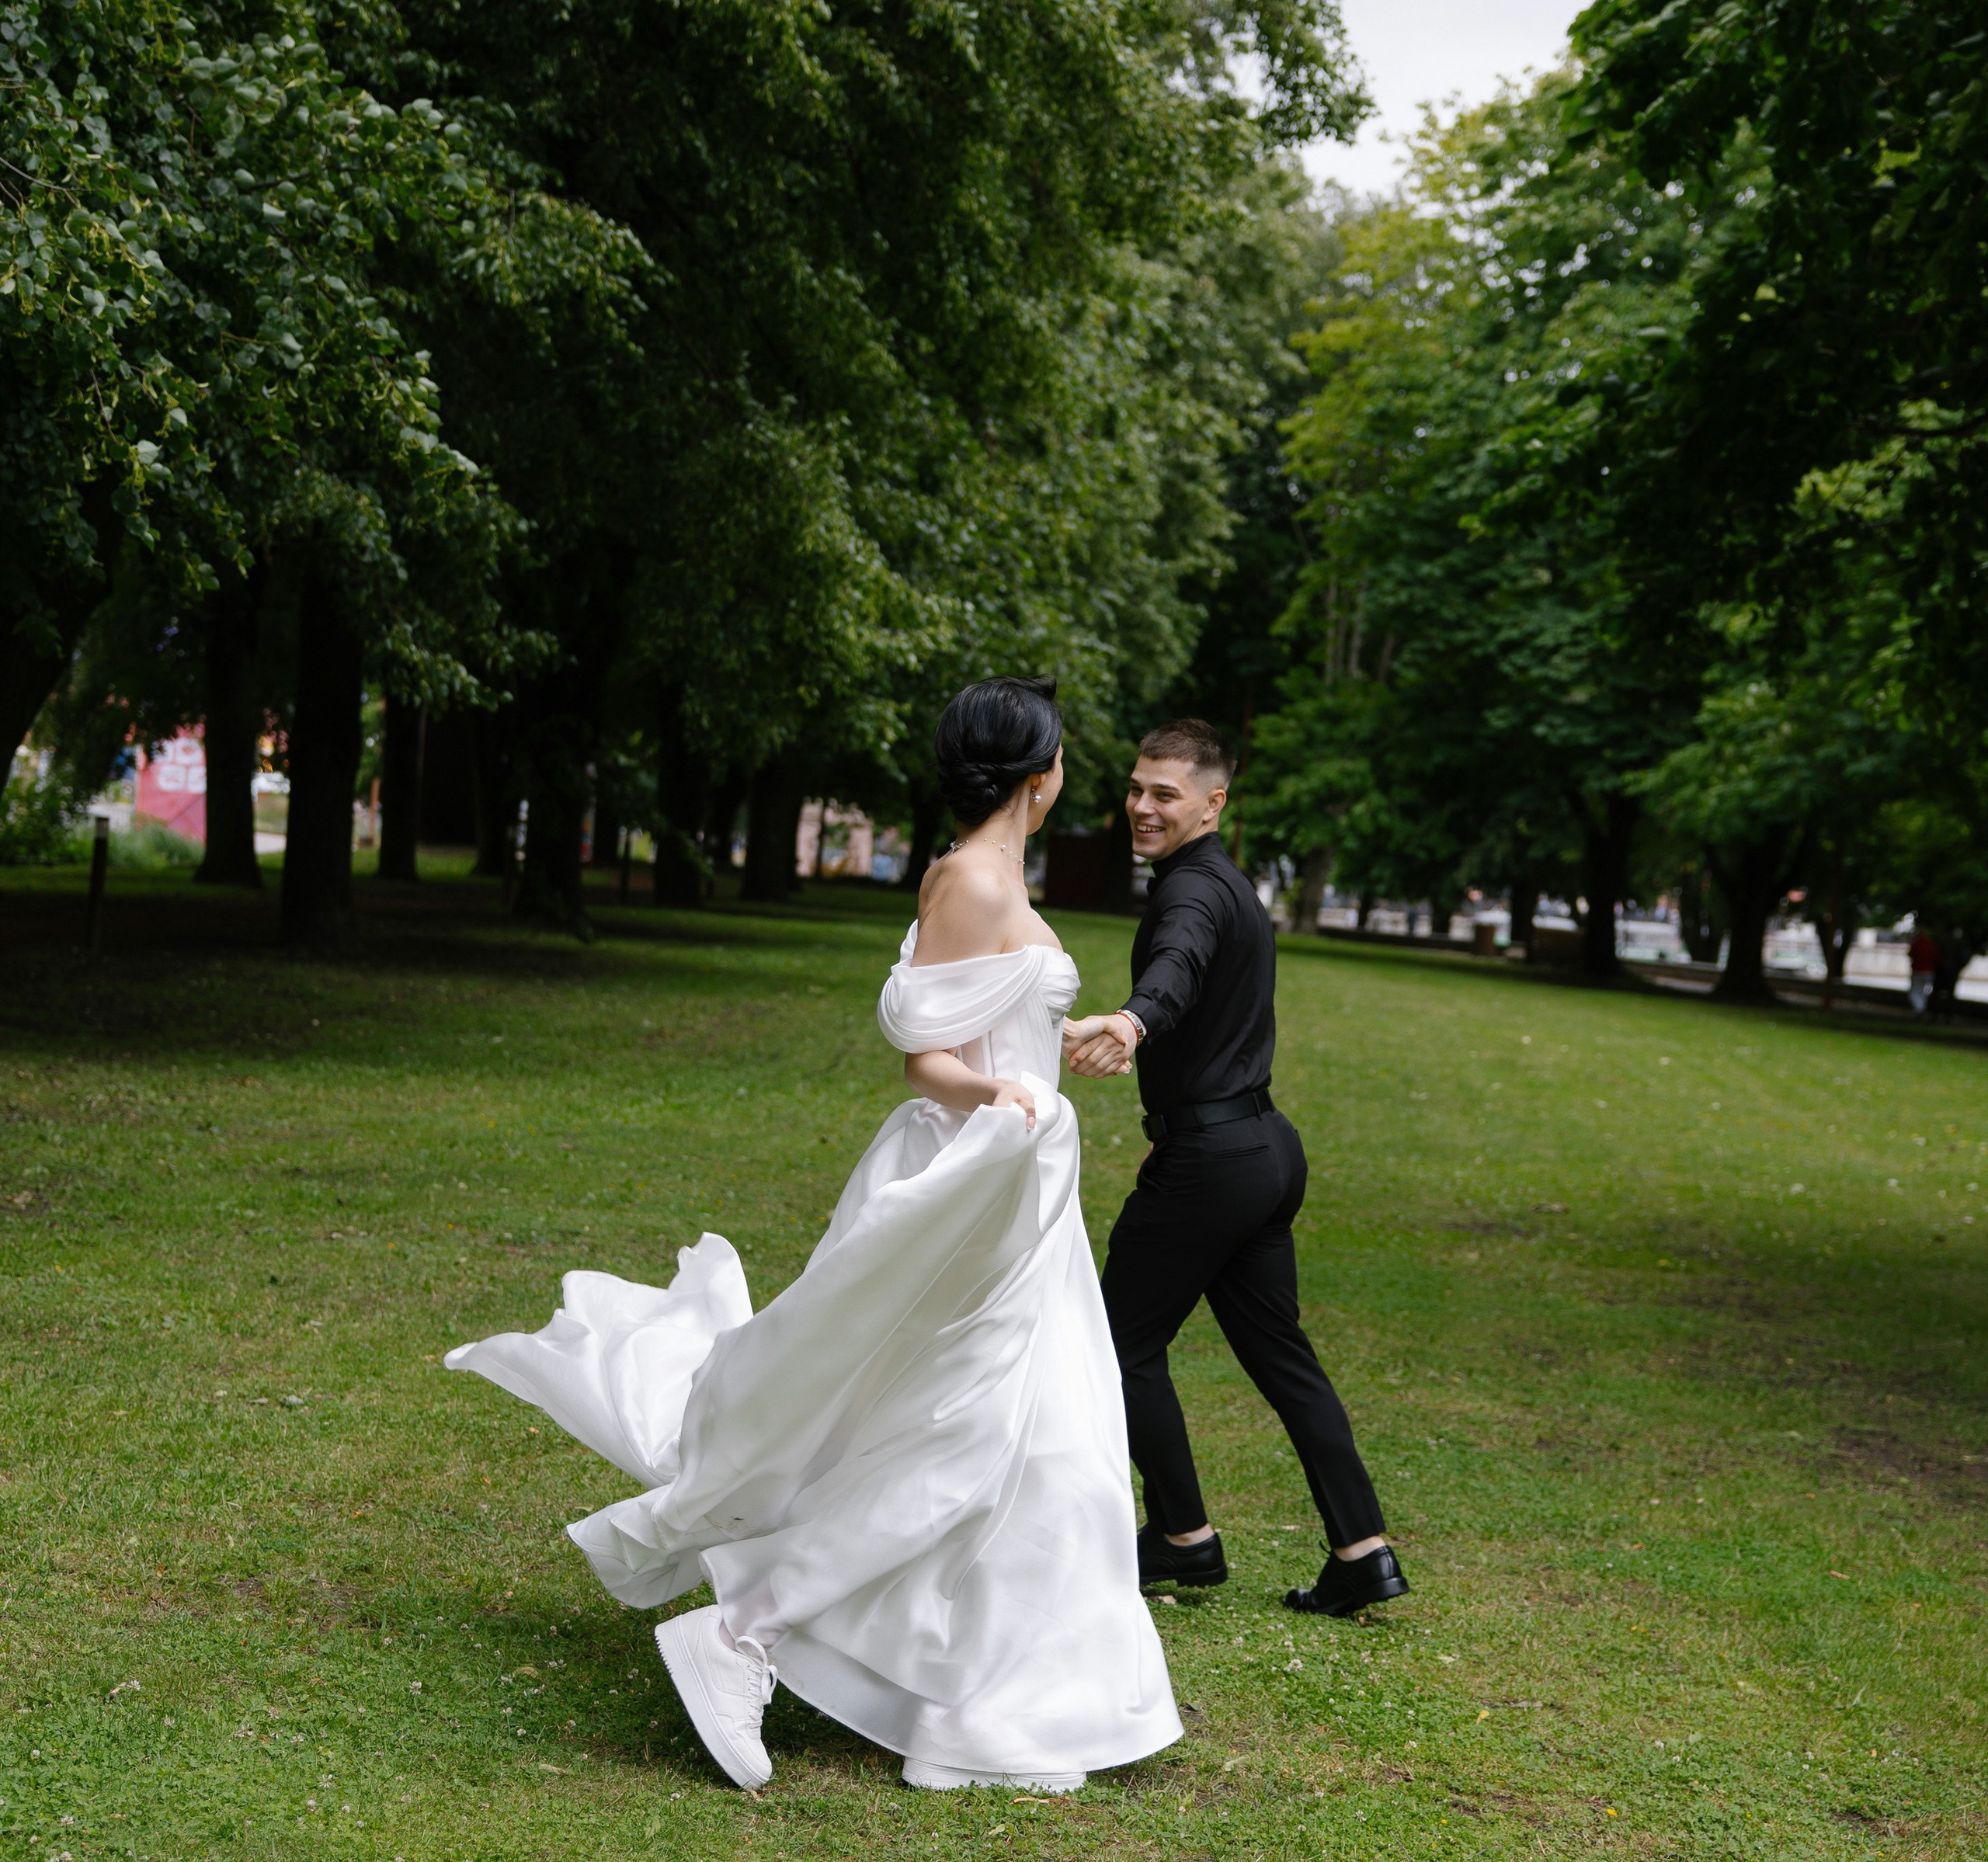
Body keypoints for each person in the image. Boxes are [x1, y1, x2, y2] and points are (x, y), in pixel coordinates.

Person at [446, 679, 1179, 1794]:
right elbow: (924, 1057)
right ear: (1041, 775)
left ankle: (977, 1696)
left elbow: (976, 1024)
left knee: (1036, 1438)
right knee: (966, 1431)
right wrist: (1005, 1099)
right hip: (980, 1184)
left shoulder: (986, 876)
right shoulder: (974, 881)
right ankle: (746, 1636)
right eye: (1068, 758)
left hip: (1020, 1189)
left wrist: (1046, 1048)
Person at [1064, 718, 1409, 1619]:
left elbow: (1175, 967)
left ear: (1213, 802)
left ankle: (1183, 1536)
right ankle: (1361, 1551)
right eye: (1136, 787)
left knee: (1116, 1344)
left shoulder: (1190, 891)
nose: (1140, 805)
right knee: (1282, 1359)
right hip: (1260, 1149)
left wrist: (1132, 1022)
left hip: (1215, 1161)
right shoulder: (1225, 884)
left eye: (1163, 793)